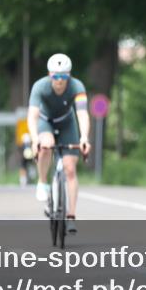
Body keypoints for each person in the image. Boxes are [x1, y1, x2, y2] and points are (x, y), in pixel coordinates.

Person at [27, 53, 91, 235]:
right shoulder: (40, 86)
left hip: (66, 122)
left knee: (70, 168)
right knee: (46, 144)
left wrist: (84, 137)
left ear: (69, 75)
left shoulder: (77, 86)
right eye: (56, 76)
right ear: (49, 74)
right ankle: (42, 181)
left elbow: (82, 114)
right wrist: (34, 139)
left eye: (64, 76)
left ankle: (71, 216)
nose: (60, 81)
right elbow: (32, 115)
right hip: (44, 121)